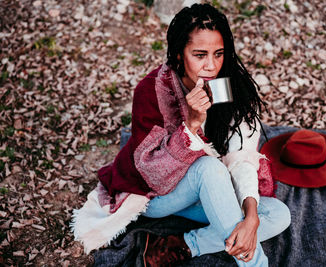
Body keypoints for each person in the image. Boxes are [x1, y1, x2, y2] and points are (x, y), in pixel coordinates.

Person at [72, 3, 290, 266]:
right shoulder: (151, 91)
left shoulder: (228, 87)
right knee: (208, 168)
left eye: (219, 54)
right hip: (156, 195)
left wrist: (252, 216)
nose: (212, 66)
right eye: (200, 55)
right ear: (178, 56)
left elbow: (241, 157)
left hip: (209, 185)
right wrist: (193, 124)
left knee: (277, 214)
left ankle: (185, 244)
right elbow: (153, 175)